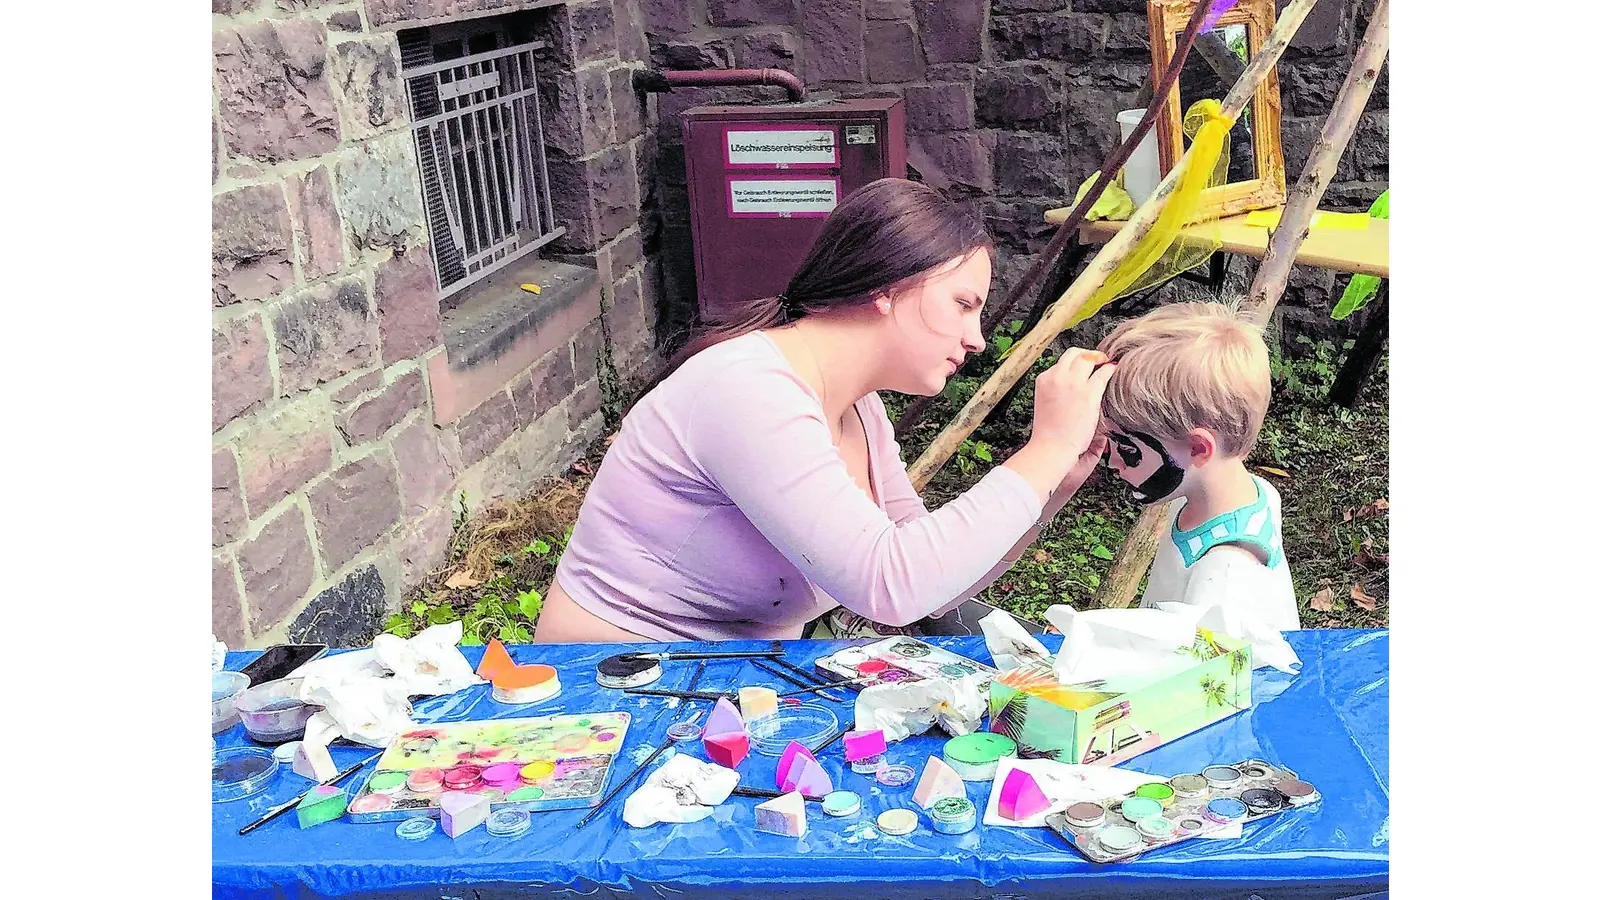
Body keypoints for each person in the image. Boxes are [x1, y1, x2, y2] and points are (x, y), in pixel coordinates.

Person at [533, 178, 1113, 643]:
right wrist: (1046, 448)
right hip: (610, 692)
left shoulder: (861, 410)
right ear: (889, 286)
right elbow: (890, 585)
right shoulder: (750, 391)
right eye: (963, 305)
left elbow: (933, 585)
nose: (976, 338)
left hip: (731, 687)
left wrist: (1053, 483)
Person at [1097, 301, 1301, 632]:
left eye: (1127, 449)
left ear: (1197, 448)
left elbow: (1203, 678)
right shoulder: (1247, 493)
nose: (1112, 462)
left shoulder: (1224, 575)